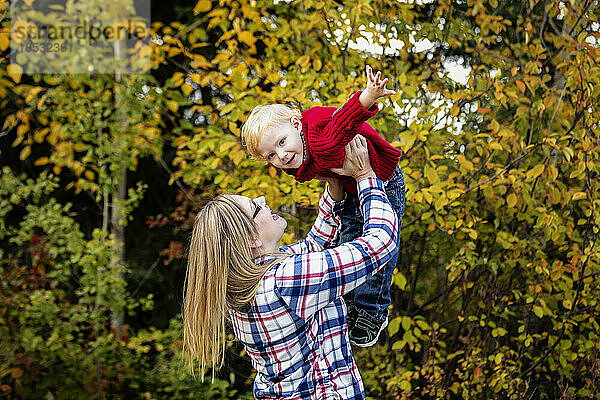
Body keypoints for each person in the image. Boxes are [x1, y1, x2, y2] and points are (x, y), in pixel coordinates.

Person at [183, 136, 400, 399]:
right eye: (255, 207)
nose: (262, 199)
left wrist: (334, 187)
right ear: (251, 240)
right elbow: (379, 244)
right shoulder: (284, 281)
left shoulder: (246, 282)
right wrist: (366, 177)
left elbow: (315, 245)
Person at [240, 65, 405, 346]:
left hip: (381, 179)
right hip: (355, 186)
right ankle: (353, 304)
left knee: (376, 249)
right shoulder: (295, 153)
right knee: (350, 241)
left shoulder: (318, 138)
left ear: (295, 124)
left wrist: (368, 96)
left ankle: (372, 311)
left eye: (282, 142)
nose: (281, 155)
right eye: (271, 155)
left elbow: (344, 120)